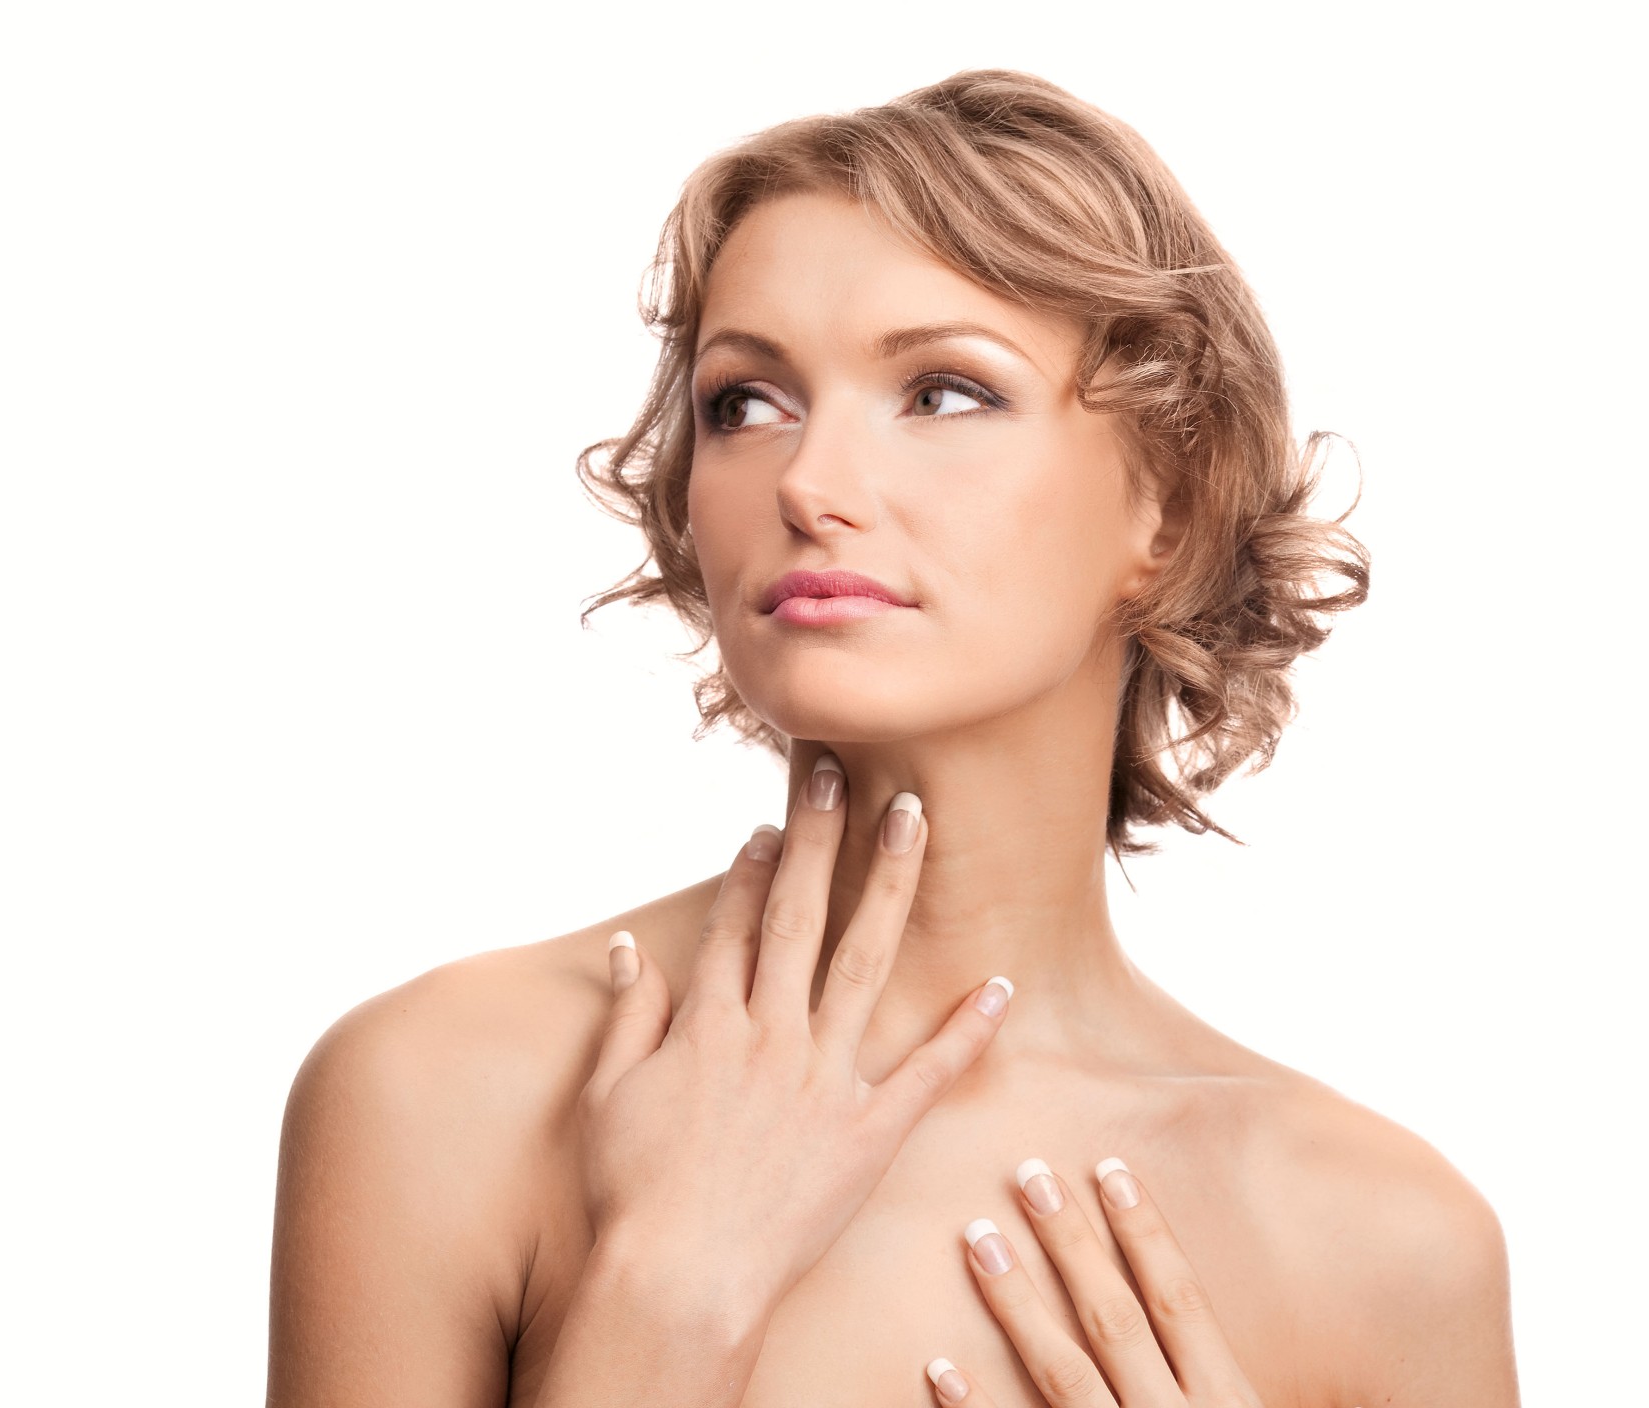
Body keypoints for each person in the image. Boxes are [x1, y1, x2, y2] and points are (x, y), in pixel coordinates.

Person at [268, 69, 1519, 1407]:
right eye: (746, 402)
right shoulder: (445, 1096)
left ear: (1167, 498)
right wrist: (667, 1292)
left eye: (944, 393)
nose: (809, 485)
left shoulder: (1383, 1247)